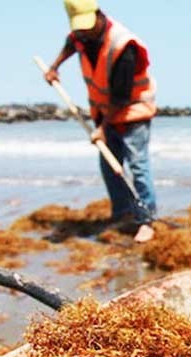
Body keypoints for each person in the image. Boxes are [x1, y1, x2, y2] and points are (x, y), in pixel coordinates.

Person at [44, 0, 158, 243]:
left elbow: (120, 96)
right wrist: (55, 67)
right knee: (110, 167)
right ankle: (122, 214)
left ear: (98, 14)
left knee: (137, 166)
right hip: (105, 113)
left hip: (132, 111)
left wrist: (102, 130)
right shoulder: (81, 35)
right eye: (79, 28)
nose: (83, 33)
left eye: (86, 26)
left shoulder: (123, 46)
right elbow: (70, 43)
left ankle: (146, 220)